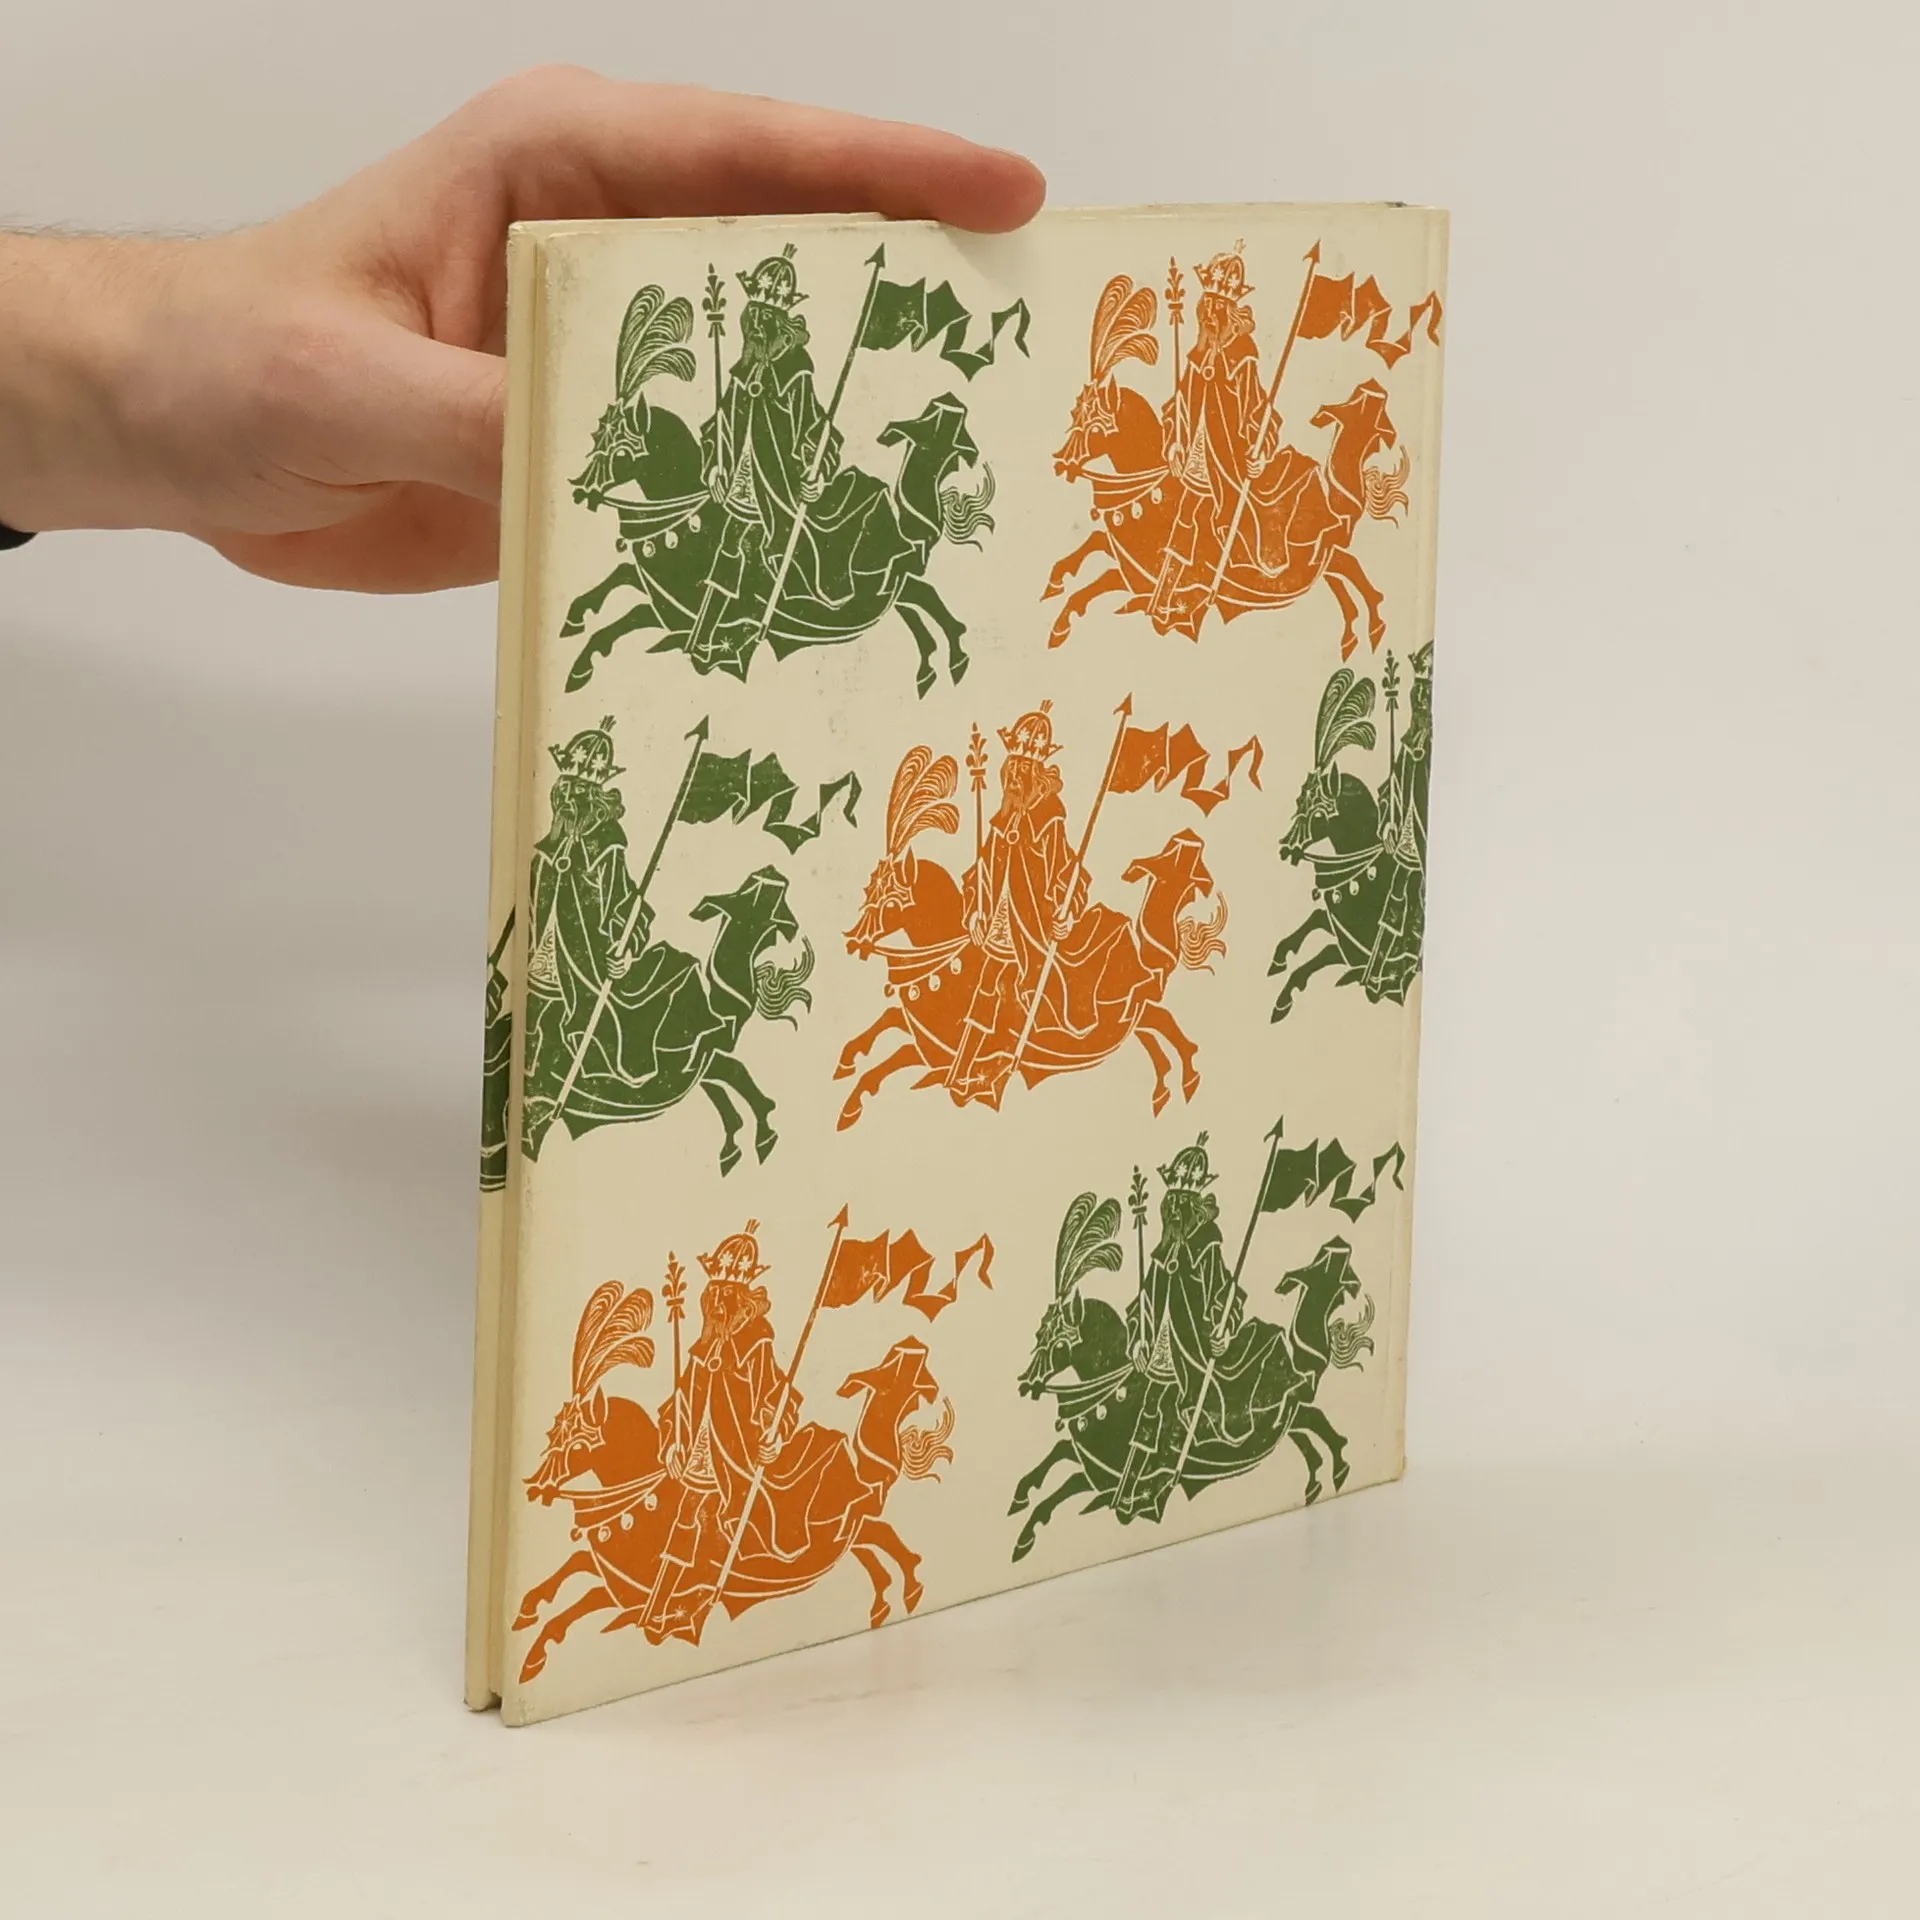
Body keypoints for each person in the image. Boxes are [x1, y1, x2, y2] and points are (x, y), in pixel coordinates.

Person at [0, 69, 1045, 576]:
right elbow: (757, 431)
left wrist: (124, 397)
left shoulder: (785, 362)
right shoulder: (759, 361)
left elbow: (790, 418)